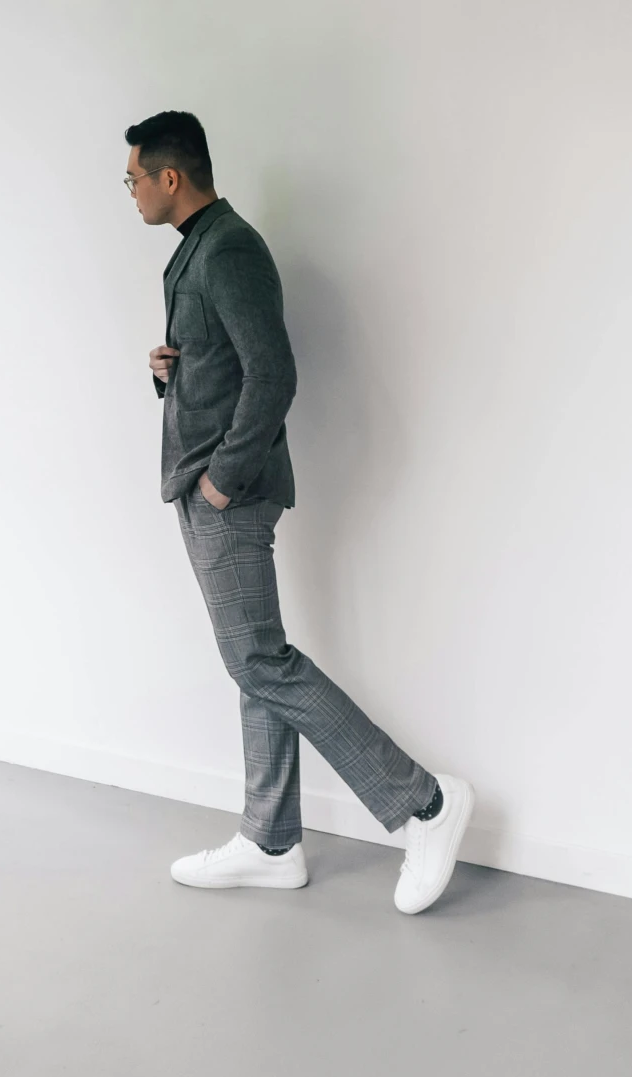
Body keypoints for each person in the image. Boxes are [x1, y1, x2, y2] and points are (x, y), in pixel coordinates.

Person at [126, 108, 472, 914]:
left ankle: (425, 802)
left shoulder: (232, 248)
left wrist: (222, 478)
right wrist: (165, 369)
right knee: (258, 658)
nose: (132, 192)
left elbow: (273, 373)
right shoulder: (195, 253)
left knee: (258, 662)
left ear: (171, 176)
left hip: (228, 491)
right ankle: (272, 841)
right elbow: (223, 366)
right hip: (201, 480)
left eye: (135, 177)